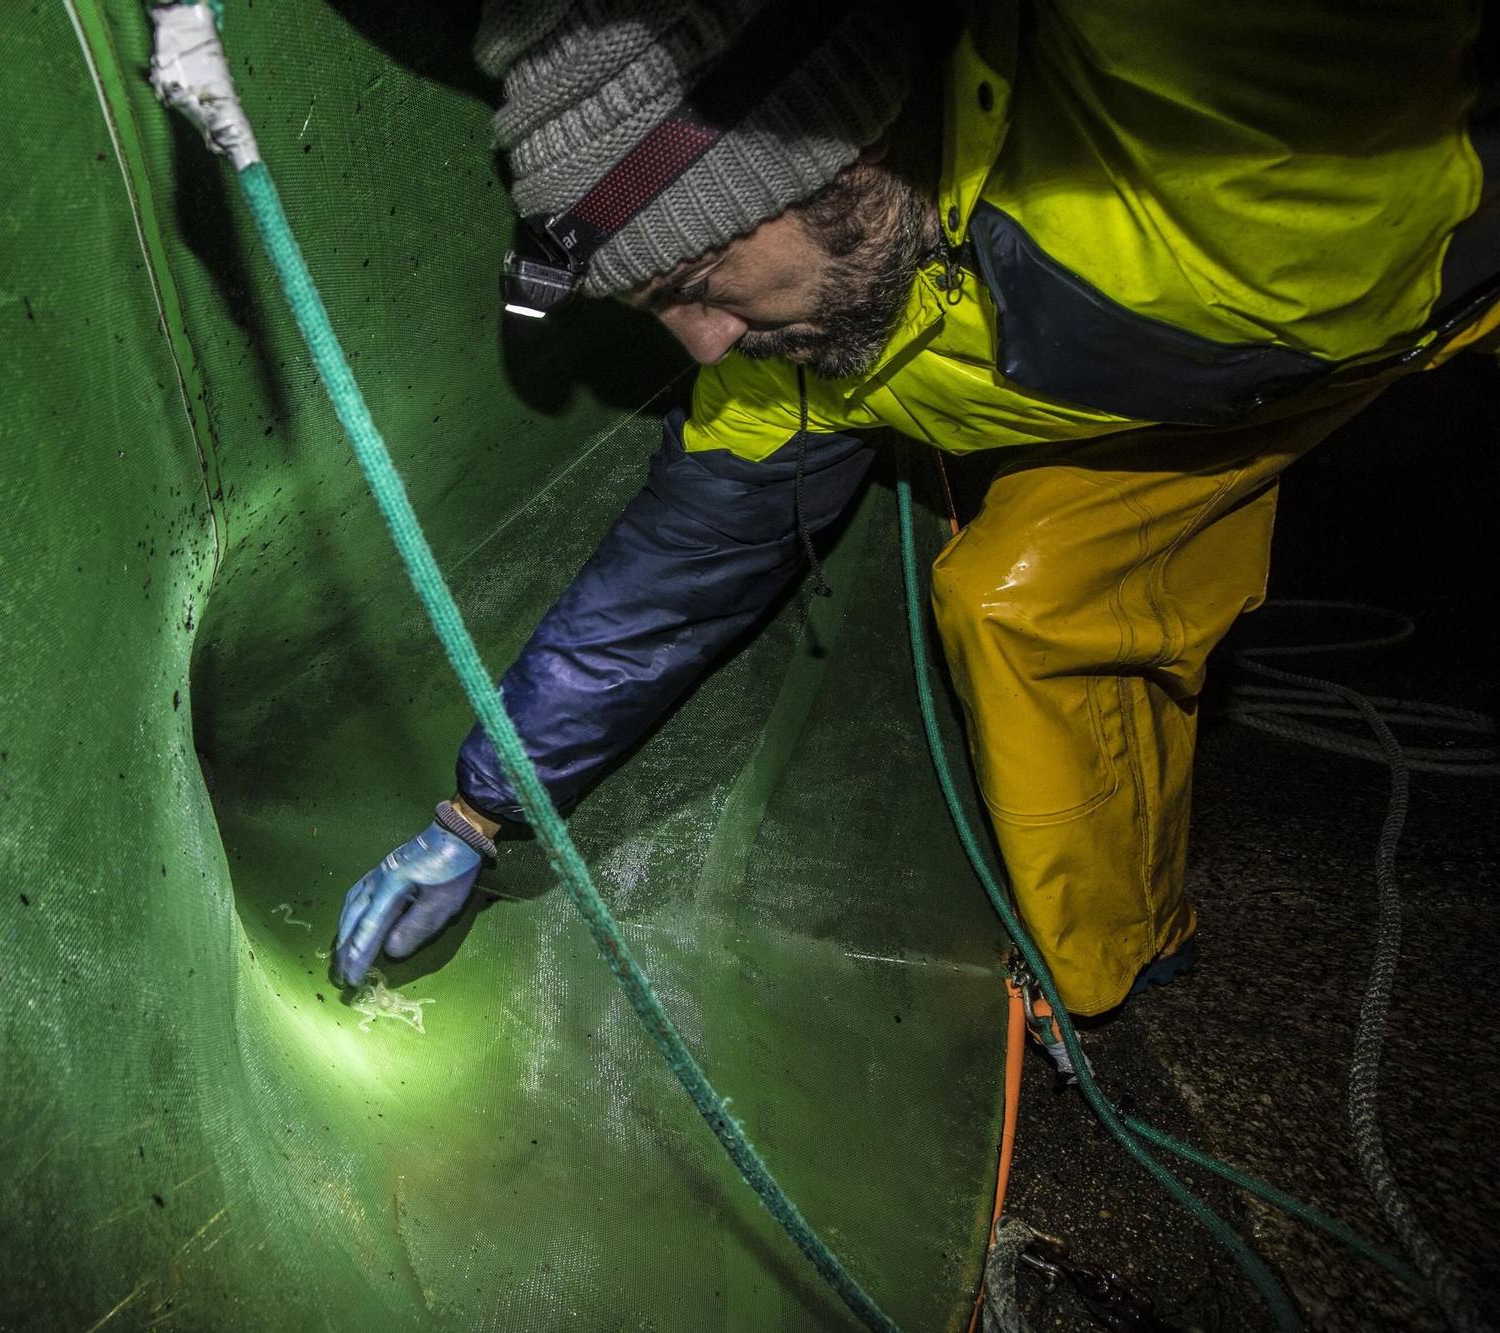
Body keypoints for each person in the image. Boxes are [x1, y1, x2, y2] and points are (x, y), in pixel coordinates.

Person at [332, 0, 1498, 1031]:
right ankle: (1123, 961)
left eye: (690, 281)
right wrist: (478, 811)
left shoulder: (1208, 126)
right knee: (1016, 605)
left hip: (1416, 287)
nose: (702, 342)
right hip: (1200, 398)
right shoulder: (795, 353)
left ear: (835, 148)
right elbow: (662, 595)